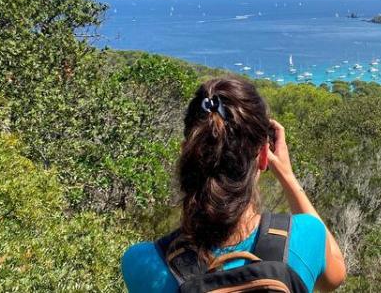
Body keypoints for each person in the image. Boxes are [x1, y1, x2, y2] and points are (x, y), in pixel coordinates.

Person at [121, 76, 346, 292]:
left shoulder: (143, 263)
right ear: (263, 156)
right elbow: (333, 277)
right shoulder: (306, 236)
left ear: (186, 154)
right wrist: (286, 175)